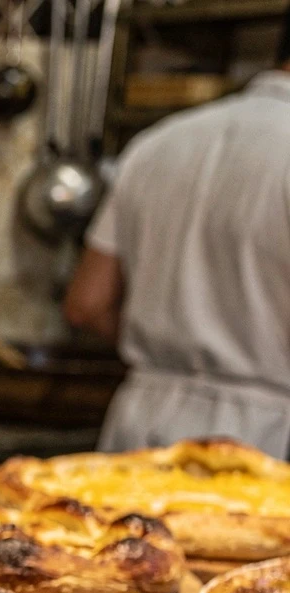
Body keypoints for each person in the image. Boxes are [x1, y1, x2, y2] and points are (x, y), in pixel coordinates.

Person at [63, 9, 290, 453]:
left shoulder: (157, 142)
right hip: (263, 442)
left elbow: (87, 304)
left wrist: (173, 357)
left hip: (141, 423)